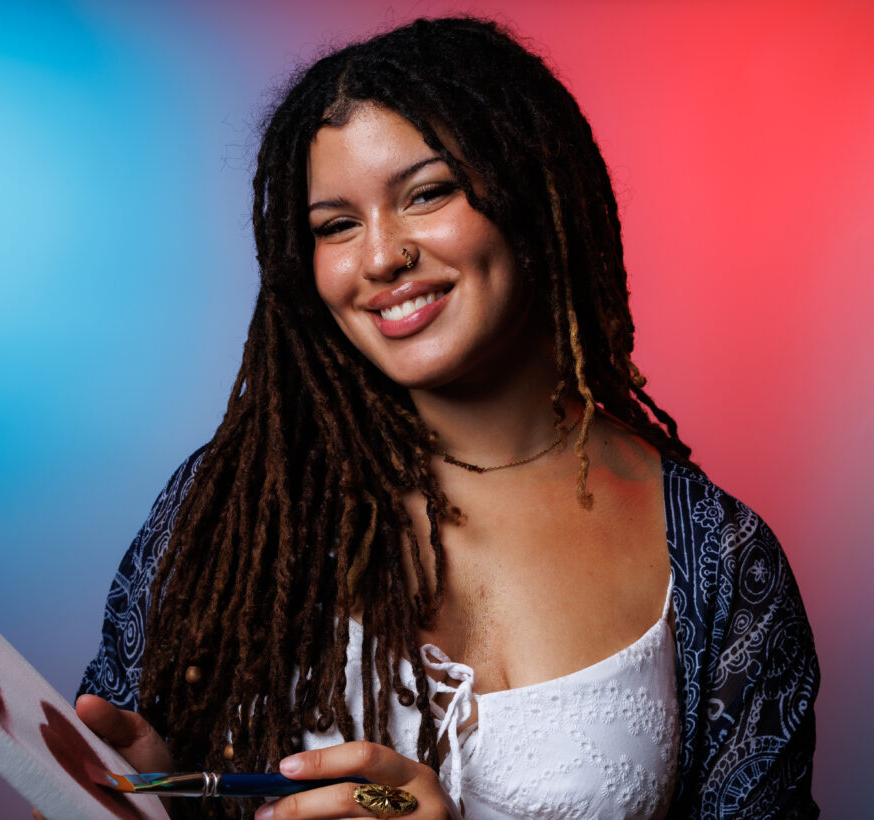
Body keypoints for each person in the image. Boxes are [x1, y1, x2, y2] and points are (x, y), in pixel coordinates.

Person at [74, 16, 819, 819]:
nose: (381, 256)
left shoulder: (718, 563)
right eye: (336, 226)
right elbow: (124, 773)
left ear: (532, 193)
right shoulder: (228, 510)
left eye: (426, 194)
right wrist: (156, 798)